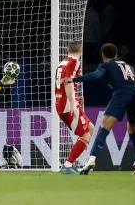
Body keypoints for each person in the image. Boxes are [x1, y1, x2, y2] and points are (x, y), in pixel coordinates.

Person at [64, 43, 135, 175]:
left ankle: (91, 159)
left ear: (103, 57)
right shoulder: (128, 66)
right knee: (132, 131)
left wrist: (74, 79)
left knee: (105, 127)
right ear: (116, 55)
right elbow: (133, 81)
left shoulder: (106, 65)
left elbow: (96, 75)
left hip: (121, 94)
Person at [55, 41, 94, 174]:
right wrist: (72, 101)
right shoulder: (74, 62)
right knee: (85, 134)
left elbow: (61, 85)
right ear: (81, 51)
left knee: (90, 128)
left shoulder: (62, 63)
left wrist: (75, 98)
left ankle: (72, 161)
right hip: (68, 105)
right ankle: (67, 165)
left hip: (62, 102)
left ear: (67, 49)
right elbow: (67, 81)